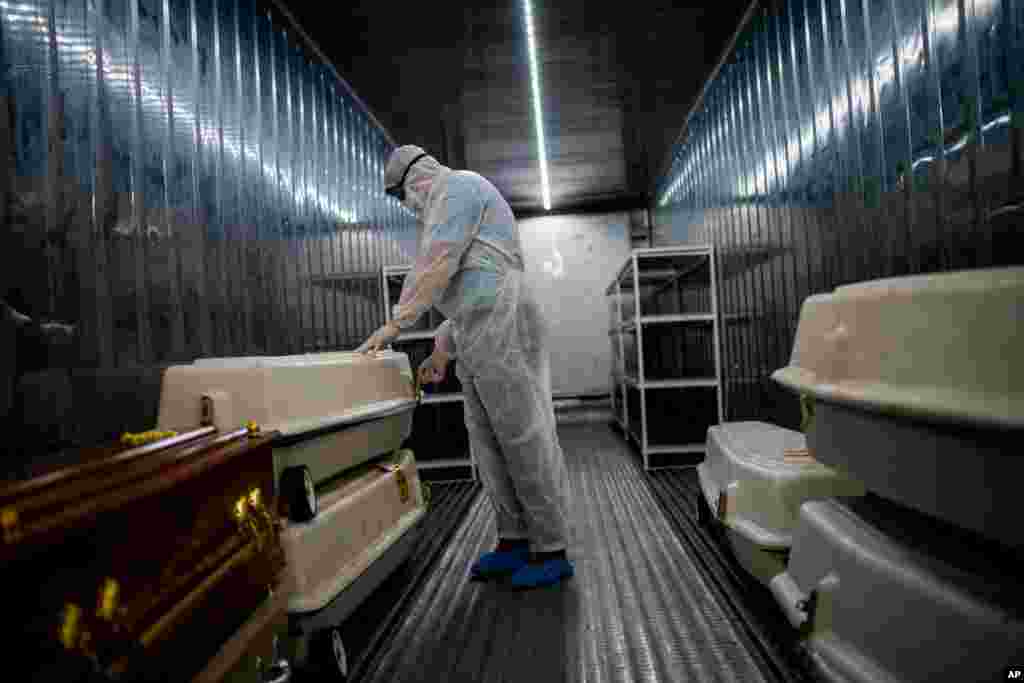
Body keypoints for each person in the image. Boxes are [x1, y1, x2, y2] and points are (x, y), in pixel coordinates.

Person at [357, 145, 573, 589]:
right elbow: (466, 298)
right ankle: (514, 539)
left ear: (415, 178)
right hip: (479, 329)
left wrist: (396, 324)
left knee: (521, 433)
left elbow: (438, 265)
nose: (405, 205)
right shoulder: (443, 204)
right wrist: (441, 351)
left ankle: (551, 546)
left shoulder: (457, 189)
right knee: (488, 440)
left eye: (401, 196)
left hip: (504, 322)